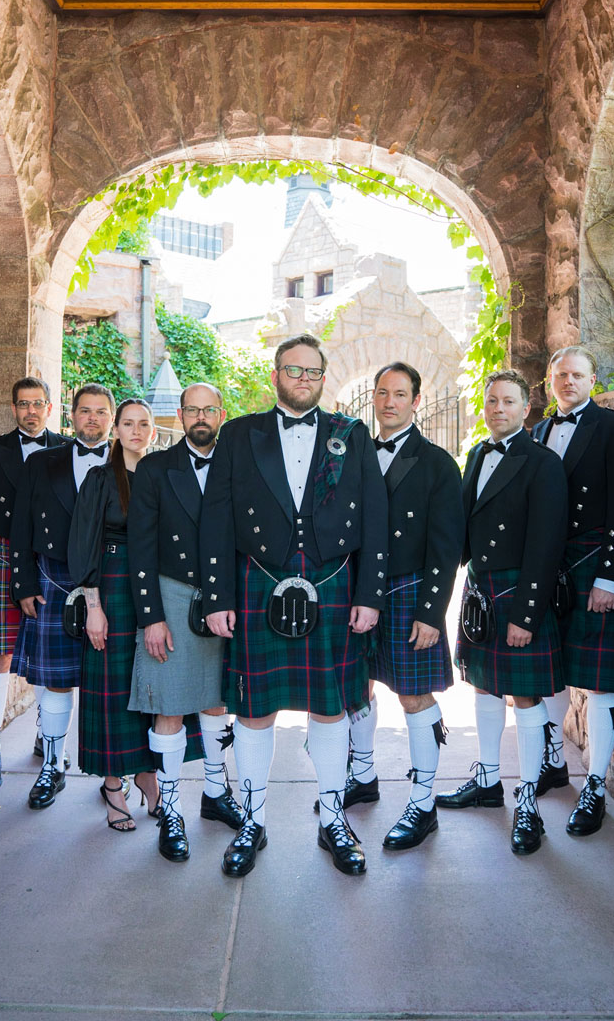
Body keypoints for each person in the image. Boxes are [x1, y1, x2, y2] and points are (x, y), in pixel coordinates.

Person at [200, 333, 388, 877]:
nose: (302, 379)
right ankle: (253, 820)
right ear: (275, 375)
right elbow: (217, 518)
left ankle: (333, 818)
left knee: (330, 706)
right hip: (259, 579)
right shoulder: (240, 434)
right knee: (253, 709)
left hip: (332, 581)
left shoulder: (350, 434)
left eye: (312, 372)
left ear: (322, 378)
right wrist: (218, 596)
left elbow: (375, 518)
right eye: (293, 370)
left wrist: (369, 594)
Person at [436, 369, 567, 856]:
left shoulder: (543, 463)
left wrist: (526, 615)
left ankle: (528, 801)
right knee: (484, 686)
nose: (498, 409)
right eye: (492, 401)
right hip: (482, 590)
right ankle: (488, 782)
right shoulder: (477, 453)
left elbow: (545, 544)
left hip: (517, 592)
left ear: (526, 408)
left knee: (525, 696)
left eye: (508, 401)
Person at [340, 362, 464, 851]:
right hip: (355, 591)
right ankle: (363, 776)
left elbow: (447, 547)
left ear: (416, 401)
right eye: (381, 393)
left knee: (414, 696)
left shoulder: (437, 463)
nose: (388, 402)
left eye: (399, 394)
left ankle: (423, 802)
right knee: (356, 687)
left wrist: (431, 613)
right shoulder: (355, 456)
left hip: (409, 591)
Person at [126, 383, 244, 860]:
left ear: (221, 415)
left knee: (217, 702)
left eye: (208, 410)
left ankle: (215, 793)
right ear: (180, 415)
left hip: (225, 599)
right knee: (170, 706)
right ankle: (170, 809)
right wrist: (151, 617)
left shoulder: (236, 468)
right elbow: (140, 547)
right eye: (192, 410)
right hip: (172, 595)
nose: (200, 417)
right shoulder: (155, 469)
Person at [531, 345, 614, 837]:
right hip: (548, 569)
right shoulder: (538, 431)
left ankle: (596, 784)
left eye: (577, 375)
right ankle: (554, 761)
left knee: (599, 683)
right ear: (550, 380)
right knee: (548, 671)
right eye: (561, 375)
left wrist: (609, 577)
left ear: (592, 380)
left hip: (593, 564)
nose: (569, 382)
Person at [0, 377, 67, 792]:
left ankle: (46, 738)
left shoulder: (66, 449)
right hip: (1, 556)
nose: (31, 411)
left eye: (38, 403)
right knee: (0, 653)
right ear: (13, 408)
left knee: (48, 655)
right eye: (23, 404)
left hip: (49, 559)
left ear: (50, 407)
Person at [10, 383, 115, 810]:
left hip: (112, 582)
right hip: (54, 578)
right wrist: (23, 584)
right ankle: (53, 766)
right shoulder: (42, 461)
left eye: (101, 411)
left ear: (111, 418)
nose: (92, 418)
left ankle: (114, 775)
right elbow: (21, 524)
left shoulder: (131, 462)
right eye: (85, 410)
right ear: (71, 415)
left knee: (111, 683)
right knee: (56, 681)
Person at [67, 398, 160, 831]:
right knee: (112, 688)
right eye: (128, 423)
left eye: (144, 424)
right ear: (117, 430)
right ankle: (112, 784)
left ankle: (146, 772)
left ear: (153, 431)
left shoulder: (162, 477)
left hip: (156, 588)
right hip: (113, 586)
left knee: (151, 686)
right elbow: (84, 542)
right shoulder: (101, 479)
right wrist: (94, 607)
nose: (136, 431)